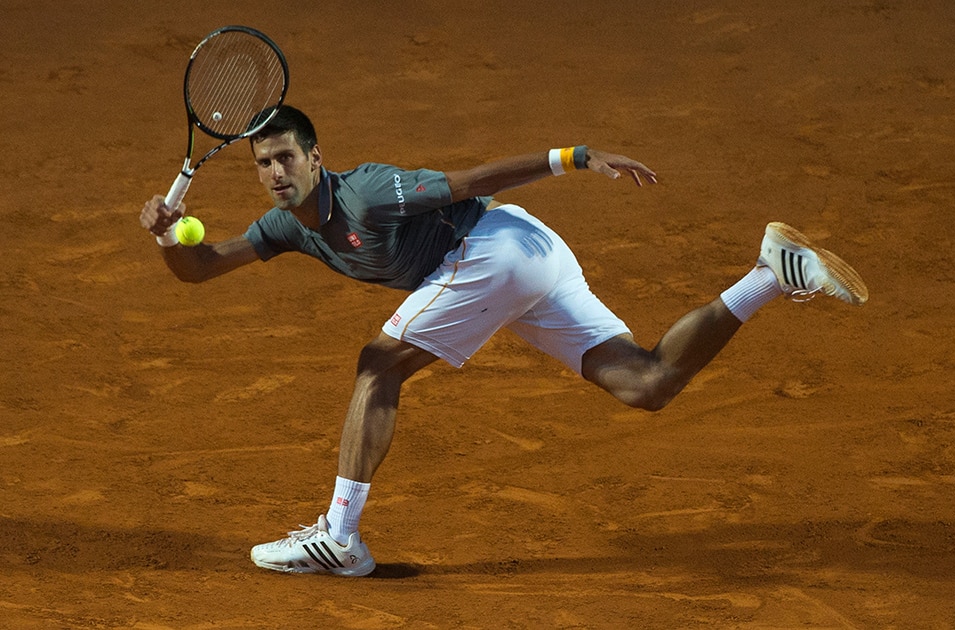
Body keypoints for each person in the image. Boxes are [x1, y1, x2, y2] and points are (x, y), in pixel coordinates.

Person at [140, 105, 868, 577]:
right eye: (263, 163)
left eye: (286, 158)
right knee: (645, 383)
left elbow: (469, 180)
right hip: (519, 262)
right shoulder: (283, 227)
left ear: (315, 157)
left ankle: (341, 535)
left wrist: (575, 156)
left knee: (378, 363)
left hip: (493, 247)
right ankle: (770, 275)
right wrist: (171, 232)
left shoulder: (369, 192)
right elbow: (201, 269)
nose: (274, 174)